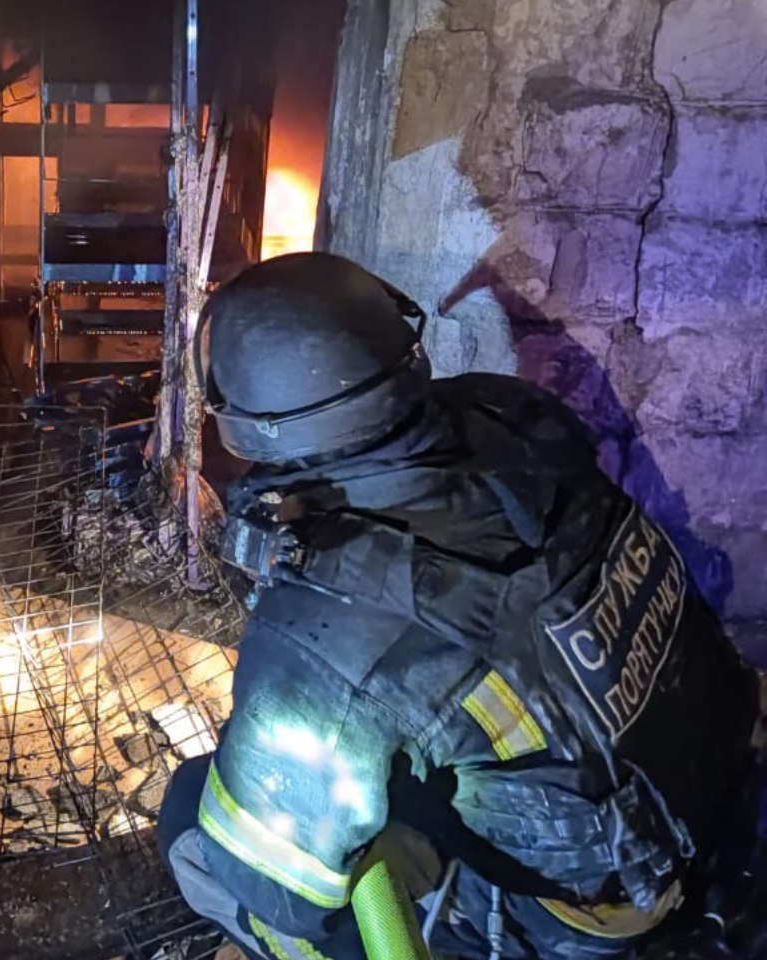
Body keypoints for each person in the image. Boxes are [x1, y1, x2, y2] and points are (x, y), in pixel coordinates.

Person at [157, 252, 763, 960]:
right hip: (718, 776)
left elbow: (282, 891)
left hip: (604, 905)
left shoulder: (330, 625)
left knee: (195, 822)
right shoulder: (508, 412)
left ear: (254, 422)